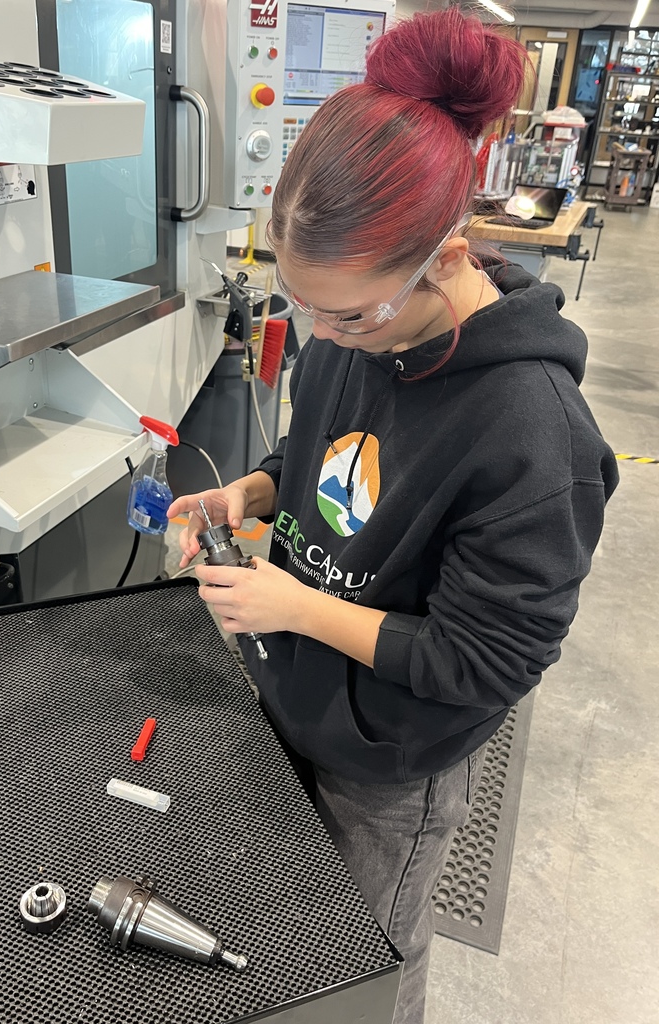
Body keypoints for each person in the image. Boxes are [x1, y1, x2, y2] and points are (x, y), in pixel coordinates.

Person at [167, 9, 618, 1022]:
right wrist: (248, 492)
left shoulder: (532, 435)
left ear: (448, 255)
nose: (327, 337)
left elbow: (482, 663)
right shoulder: (348, 331)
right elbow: (315, 452)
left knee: (364, 964)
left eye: (352, 315)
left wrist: (292, 607)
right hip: (297, 694)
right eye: (307, 310)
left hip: (393, 758)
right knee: (288, 931)